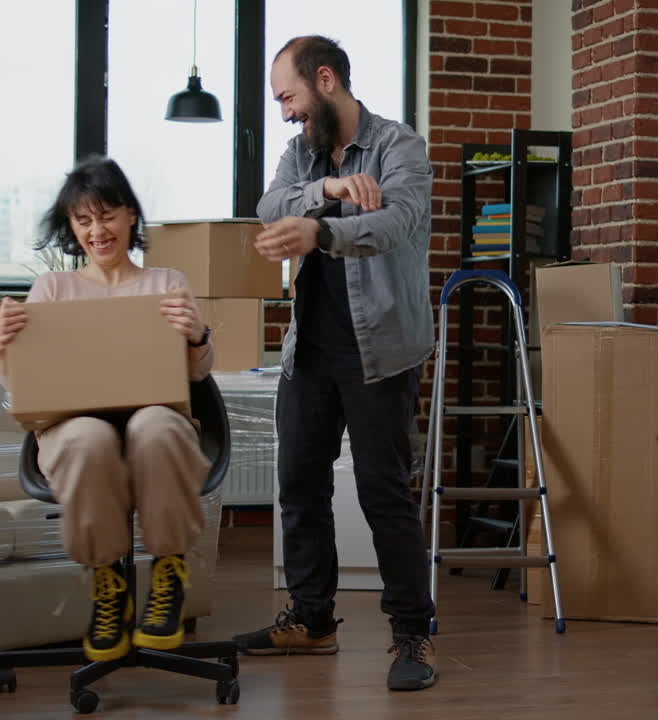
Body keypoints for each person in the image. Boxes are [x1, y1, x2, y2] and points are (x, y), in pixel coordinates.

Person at [234, 35, 438, 691]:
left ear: (325, 81)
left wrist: (321, 228)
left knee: (383, 492)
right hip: (311, 353)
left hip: (380, 350)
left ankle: (414, 634)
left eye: (288, 97)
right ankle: (312, 621)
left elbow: (396, 224)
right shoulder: (303, 153)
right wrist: (323, 187)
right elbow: (269, 207)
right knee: (297, 482)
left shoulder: (400, 146)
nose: (286, 114)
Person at [0, 155, 215, 663]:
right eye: (84, 220)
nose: (98, 231)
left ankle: (168, 569)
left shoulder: (166, 284)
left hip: (155, 415)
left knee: (155, 426)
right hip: (72, 424)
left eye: (107, 215)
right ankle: (108, 580)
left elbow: (199, 375)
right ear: (71, 228)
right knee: (88, 439)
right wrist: (4, 347)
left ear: (131, 215)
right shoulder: (52, 290)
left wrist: (197, 334)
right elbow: (24, 385)